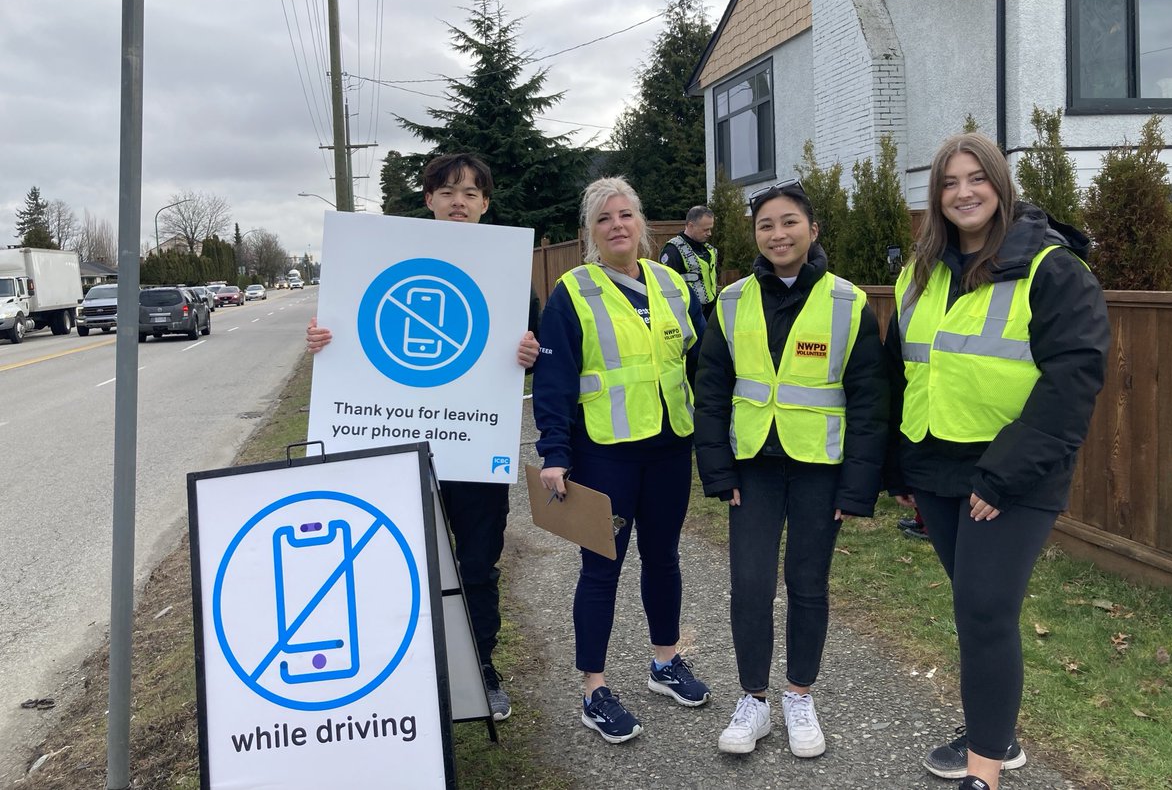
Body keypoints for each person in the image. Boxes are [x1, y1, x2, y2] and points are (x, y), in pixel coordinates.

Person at [885, 133, 1109, 790]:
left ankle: (986, 771)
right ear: (936, 196)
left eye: (975, 178)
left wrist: (1004, 472)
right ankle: (996, 732)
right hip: (936, 466)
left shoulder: (1052, 268)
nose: (963, 192)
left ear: (1000, 185)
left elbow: (1073, 380)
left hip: (1013, 473)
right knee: (973, 607)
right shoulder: (920, 272)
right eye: (949, 182)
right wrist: (900, 469)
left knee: (985, 609)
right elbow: (903, 371)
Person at [305, 152, 540, 723]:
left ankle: (480, 670)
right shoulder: (379, 259)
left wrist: (530, 357)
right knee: (399, 563)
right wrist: (322, 343)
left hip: (473, 454)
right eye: (448, 191)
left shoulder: (509, 274)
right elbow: (354, 341)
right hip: (400, 451)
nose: (459, 201)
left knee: (478, 568)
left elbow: (527, 359)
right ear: (429, 199)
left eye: (471, 192)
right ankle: (403, 672)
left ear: (486, 204)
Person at [693, 178, 888, 758]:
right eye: (765, 225)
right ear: (755, 235)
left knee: (807, 585)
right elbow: (710, 392)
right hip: (751, 467)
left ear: (813, 229)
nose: (778, 234)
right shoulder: (730, 302)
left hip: (818, 469)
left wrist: (856, 488)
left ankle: (799, 695)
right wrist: (718, 471)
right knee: (749, 585)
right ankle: (753, 699)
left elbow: (870, 402)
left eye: (789, 222)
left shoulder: (848, 304)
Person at [533, 176, 711, 744]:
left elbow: (699, 356)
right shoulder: (572, 292)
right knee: (601, 568)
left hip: (667, 447)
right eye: (604, 218)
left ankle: (665, 661)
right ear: (591, 233)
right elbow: (554, 381)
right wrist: (554, 455)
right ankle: (594, 689)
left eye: (625, 215)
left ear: (642, 224)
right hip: (604, 454)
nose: (617, 226)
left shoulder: (669, 283)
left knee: (663, 557)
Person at [660, 204, 719, 321]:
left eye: (710, 229)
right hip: (688, 315)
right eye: (705, 229)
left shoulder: (709, 250)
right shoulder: (673, 250)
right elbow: (665, 286)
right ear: (691, 226)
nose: (709, 233)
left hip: (711, 312)